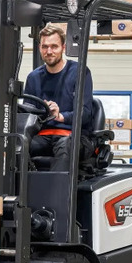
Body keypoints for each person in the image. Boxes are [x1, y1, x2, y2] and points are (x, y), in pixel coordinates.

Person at [24, 23, 93, 171]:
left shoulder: (80, 73)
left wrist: (60, 116)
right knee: (17, 144)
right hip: (43, 135)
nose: (49, 51)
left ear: (63, 47)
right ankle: (20, 191)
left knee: (65, 146)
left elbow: (86, 113)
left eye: (54, 46)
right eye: (45, 47)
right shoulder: (33, 77)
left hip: (73, 136)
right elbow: (26, 113)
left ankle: (57, 193)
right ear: (40, 48)